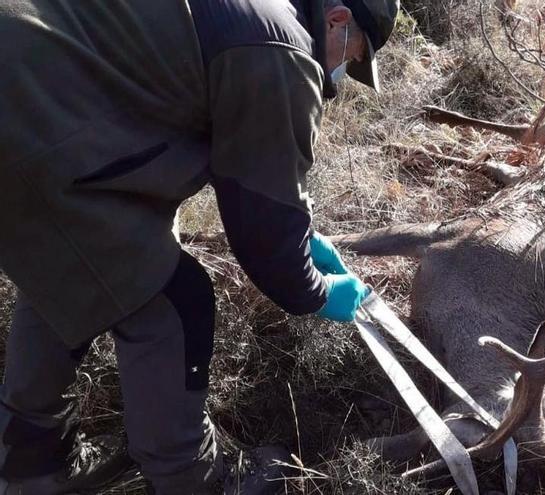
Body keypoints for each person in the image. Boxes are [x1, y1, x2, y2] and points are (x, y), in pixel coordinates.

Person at [0, 0, 399, 493]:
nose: (344, 72)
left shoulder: (256, 12)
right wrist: (316, 290)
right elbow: (265, 240)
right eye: (356, 55)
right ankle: (195, 477)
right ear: (338, 18)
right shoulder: (282, 48)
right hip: (28, 114)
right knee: (176, 298)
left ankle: (32, 464)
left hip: (26, 74)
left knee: (69, 267)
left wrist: (301, 232)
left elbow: (230, 150)